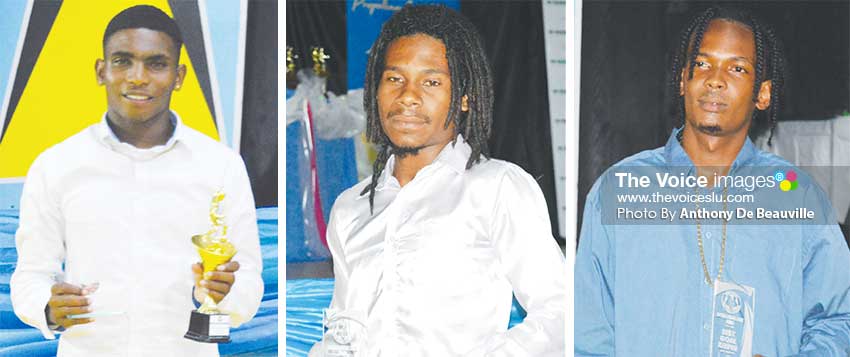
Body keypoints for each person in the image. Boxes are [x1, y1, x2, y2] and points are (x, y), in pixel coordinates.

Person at [575, 7, 850, 356]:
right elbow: (587, 336)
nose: (715, 79)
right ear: (682, 79)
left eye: (737, 68)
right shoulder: (618, 191)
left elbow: (840, 319)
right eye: (702, 64)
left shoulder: (796, 197)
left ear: (762, 94)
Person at [309, 4, 566, 357]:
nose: (408, 96)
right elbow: (343, 332)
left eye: (431, 82)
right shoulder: (350, 208)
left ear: (463, 97)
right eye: (394, 79)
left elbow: (558, 312)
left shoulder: (496, 187)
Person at [10, 5, 263, 356]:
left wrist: (221, 293)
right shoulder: (56, 166)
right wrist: (48, 309)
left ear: (178, 76)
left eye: (156, 63)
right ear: (101, 71)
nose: (138, 77)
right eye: (122, 61)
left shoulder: (220, 166)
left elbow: (247, 285)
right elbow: (30, 275)